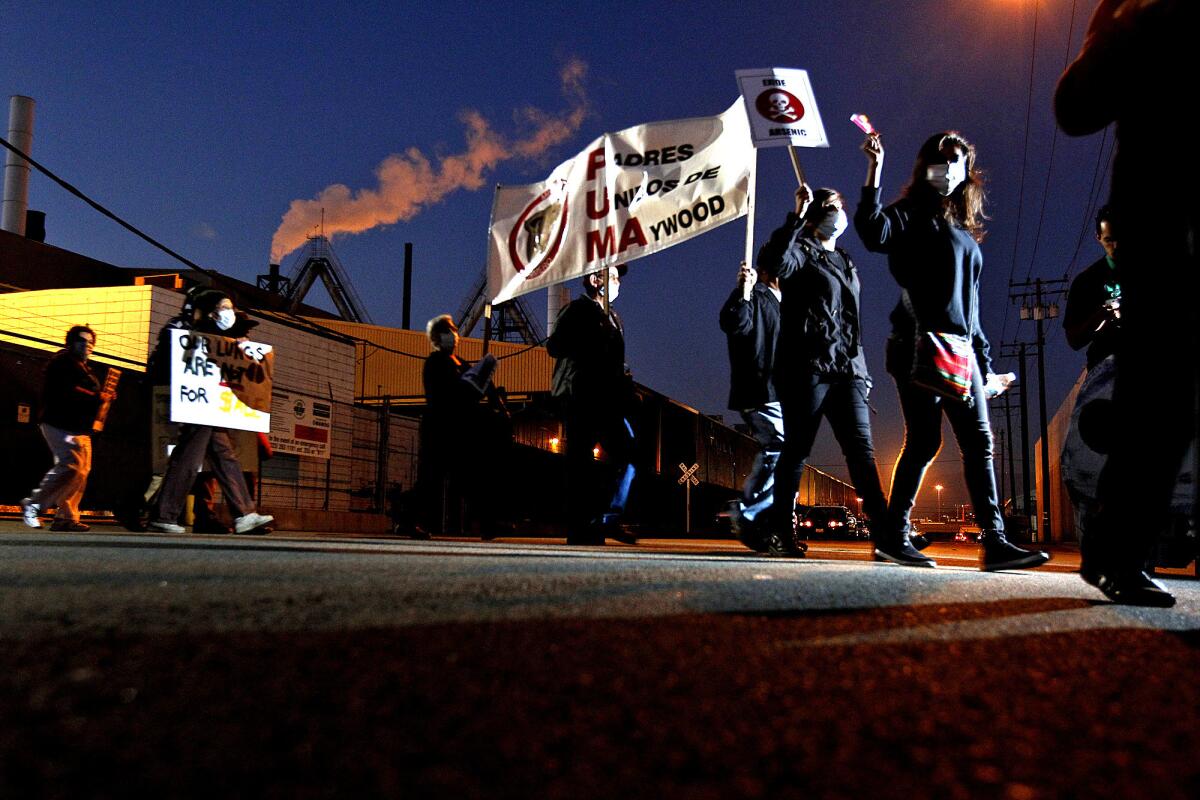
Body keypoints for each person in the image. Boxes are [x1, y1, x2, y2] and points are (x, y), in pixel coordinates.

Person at [1055, 0, 1198, 606]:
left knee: (1166, 395)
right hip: (1163, 219)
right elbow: (1076, 107)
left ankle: (1118, 546)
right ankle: (1117, 548)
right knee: (1163, 394)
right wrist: (1104, 31)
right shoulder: (1146, 20)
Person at [855, 130, 1049, 572]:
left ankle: (996, 544)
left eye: (956, 162)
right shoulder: (911, 212)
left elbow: (972, 307)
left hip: (961, 351)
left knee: (980, 441)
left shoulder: (962, 229)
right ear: (925, 169)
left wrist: (985, 366)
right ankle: (894, 535)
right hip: (917, 345)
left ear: (967, 172)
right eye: (938, 162)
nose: (947, 169)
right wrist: (875, 170)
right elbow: (872, 232)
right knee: (924, 441)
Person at [758, 185, 930, 566]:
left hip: (848, 369)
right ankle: (782, 533)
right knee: (796, 451)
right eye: (831, 207)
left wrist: (862, 369)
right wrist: (795, 216)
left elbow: (851, 318)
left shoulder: (846, 260)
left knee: (862, 454)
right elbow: (773, 263)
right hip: (808, 367)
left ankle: (887, 536)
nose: (839, 213)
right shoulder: (801, 253)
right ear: (817, 214)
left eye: (841, 206)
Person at [147, 290, 274, 535]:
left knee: (224, 457)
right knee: (191, 458)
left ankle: (244, 514)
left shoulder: (218, 333)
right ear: (209, 310)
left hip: (209, 405)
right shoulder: (182, 328)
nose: (228, 313)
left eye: (230, 307)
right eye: (223, 307)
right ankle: (163, 515)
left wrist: (241, 349)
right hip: (192, 403)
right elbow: (170, 362)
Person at [546, 265, 637, 546]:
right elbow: (555, 347)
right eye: (612, 277)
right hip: (581, 395)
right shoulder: (577, 310)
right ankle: (581, 528)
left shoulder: (614, 318)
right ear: (595, 280)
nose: (618, 282)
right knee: (580, 463)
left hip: (609, 400)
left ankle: (607, 518)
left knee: (629, 454)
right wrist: (582, 337)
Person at [414, 313, 511, 539]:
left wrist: (496, 401)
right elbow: (448, 394)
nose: (454, 336)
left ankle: (487, 524)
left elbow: (484, 387)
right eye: (449, 331)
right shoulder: (435, 362)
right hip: (440, 429)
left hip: (461, 431)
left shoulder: (462, 363)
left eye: (455, 331)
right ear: (437, 337)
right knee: (432, 479)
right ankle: (420, 522)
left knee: (472, 478)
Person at [21, 325, 114, 531]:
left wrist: (101, 400)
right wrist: (98, 397)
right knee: (71, 465)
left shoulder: (82, 367)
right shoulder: (62, 363)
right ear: (70, 342)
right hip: (60, 423)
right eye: (81, 340)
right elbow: (67, 391)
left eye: (90, 342)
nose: (86, 345)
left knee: (81, 471)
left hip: (78, 426)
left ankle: (66, 517)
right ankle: (34, 504)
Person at [718, 259, 783, 552]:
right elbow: (734, 323)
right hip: (760, 389)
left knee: (783, 453)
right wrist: (742, 291)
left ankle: (763, 522)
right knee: (779, 448)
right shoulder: (755, 297)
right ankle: (748, 510)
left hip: (776, 392)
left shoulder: (783, 305)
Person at [1063, 205, 1122, 371]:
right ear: (1099, 237)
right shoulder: (1086, 281)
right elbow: (1073, 340)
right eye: (1110, 240)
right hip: (1106, 369)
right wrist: (1101, 316)